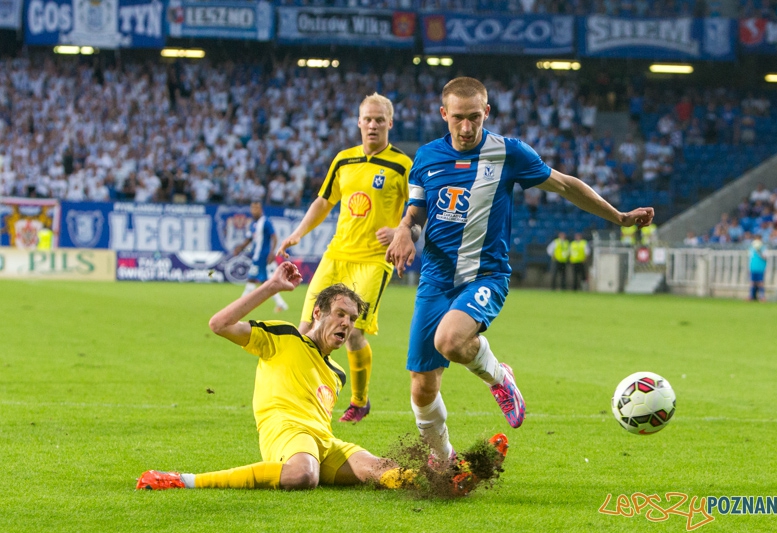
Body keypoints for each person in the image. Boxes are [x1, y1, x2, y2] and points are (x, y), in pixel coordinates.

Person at [385, 77, 654, 465]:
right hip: (436, 279)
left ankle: (498, 376)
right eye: (458, 117)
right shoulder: (426, 157)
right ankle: (444, 461)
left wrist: (618, 216)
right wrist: (403, 232)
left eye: (474, 117)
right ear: (443, 114)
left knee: (450, 341)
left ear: (487, 113)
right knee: (422, 386)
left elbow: (564, 185)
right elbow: (414, 212)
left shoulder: (509, 153)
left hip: (485, 275)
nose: (466, 127)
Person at [135, 262, 462, 492]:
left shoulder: (337, 373)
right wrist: (273, 286)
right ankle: (184, 479)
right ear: (318, 313)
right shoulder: (284, 338)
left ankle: (449, 479)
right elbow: (218, 324)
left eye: (351, 318)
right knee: (303, 476)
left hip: (323, 442)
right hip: (287, 435)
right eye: (339, 314)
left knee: (377, 469)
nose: (346, 324)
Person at [276, 93, 412, 423]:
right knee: (307, 325)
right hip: (337, 254)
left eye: (380, 119)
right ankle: (301, 392)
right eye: (367, 118)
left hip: (374, 260)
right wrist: (298, 233)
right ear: (359, 122)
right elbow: (324, 201)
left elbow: (416, 210)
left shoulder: (403, 165)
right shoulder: (344, 160)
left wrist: (399, 231)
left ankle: (359, 400)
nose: (373, 125)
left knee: (350, 331)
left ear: (390, 123)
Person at [233, 201, 289, 312]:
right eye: (253, 208)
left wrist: (272, 252)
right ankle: (281, 304)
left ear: (261, 209)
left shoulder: (266, 222)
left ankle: (238, 306)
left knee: (253, 280)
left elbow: (274, 237)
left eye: (257, 208)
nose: (254, 210)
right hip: (257, 256)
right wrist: (240, 248)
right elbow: (249, 239)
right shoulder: (253, 224)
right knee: (263, 282)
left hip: (262, 257)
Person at [748, 236, 767, 302]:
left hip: (760, 268)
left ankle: (762, 297)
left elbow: (765, 257)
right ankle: (751, 296)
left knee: (760, 282)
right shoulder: (751, 248)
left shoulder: (763, 248)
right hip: (752, 267)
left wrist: (759, 252)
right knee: (752, 282)